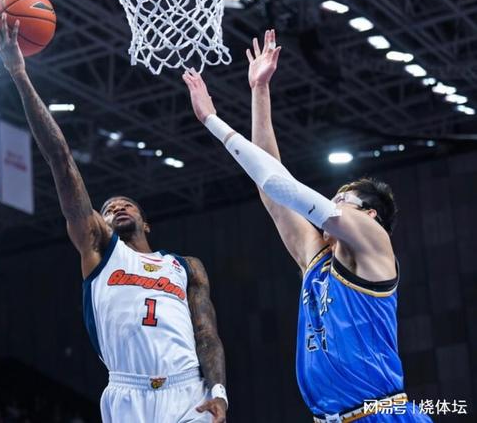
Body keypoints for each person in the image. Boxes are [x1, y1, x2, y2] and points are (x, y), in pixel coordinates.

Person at [0, 14, 228, 423]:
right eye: (109, 207)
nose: (117, 208)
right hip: (127, 394)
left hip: (189, 390)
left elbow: (207, 334)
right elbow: (60, 158)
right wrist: (19, 73)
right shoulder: (100, 250)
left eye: (127, 204)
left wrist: (218, 390)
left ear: (146, 222)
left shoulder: (185, 267)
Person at [183, 30, 432, 422]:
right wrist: (259, 91)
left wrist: (212, 121)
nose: (332, 204)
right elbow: (271, 191)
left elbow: (279, 183)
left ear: (369, 215)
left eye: (342, 199)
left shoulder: (374, 241)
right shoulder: (317, 259)